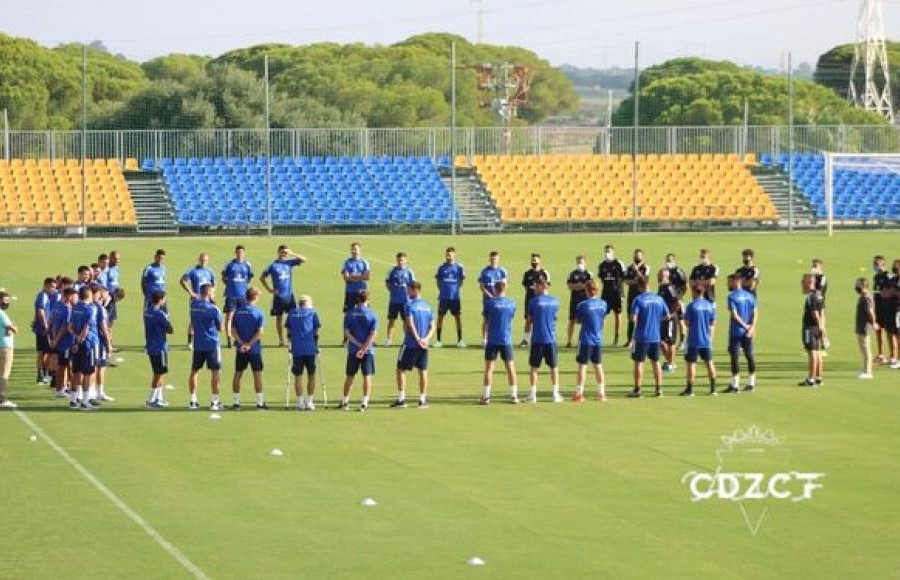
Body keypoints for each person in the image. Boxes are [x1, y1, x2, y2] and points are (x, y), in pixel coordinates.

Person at [391, 281, 434, 409]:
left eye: (408, 290)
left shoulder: (409, 305)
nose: (407, 292)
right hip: (424, 346)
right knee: (423, 371)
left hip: (410, 344)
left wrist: (417, 339)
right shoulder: (428, 306)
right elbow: (432, 326)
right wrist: (426, 339)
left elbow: (409, 324)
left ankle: (401, 399)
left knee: (400, 369)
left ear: (415, 290)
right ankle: (422, 400)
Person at [629, 276, 670, 398]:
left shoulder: (638, 299)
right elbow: (667, 316)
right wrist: (656, 320)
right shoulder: (659, 299)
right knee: (656, 362)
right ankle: (658, 389)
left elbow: (633, 318)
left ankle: (637, 389)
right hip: (655, 336)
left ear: (639, 286)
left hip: (642, 336)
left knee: (639, 363)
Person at [339, 290, 378, 412]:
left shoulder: (350, 314)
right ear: (368, 300)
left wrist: (358, 345)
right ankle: (364, 402)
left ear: (358, 299)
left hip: (353, 350)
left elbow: (347, 333)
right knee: (367, 375)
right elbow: (373, 334)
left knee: (350, 376)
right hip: (368, 351)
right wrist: (364, 347)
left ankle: (345, 401)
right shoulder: (373, 314)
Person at [480, 281, 518, 404]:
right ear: (505, 288)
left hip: (492, 340)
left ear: (494, 289)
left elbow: (485, 322)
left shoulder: (489, 304)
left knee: (489, 369)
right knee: (510, 368)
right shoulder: (512, 303)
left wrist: (484, 338)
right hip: (506, 339)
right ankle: (514, 395)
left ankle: (486, 396)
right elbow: (511, 320)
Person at [260, 245, 306, 347]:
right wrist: (269, 289)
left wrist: (292, 253)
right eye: (282, 252)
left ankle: (291, 338)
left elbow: (304, 259)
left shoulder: (289, 263)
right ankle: (281, 339)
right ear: (278, 252)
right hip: (279, 297)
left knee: (293, 317)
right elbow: (262, 277)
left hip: (289, 295)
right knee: (279, 318)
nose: (284, 254)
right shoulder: (273, 265)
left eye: (285, 252)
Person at [188, 284, 224, 410]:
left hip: (198, 344)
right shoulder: (213, 309)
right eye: (213, 292)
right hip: (212, 344)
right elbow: (221, 328)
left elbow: (192, 322)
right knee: (215, 372)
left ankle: (193, 400)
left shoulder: (193, 306)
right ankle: (215, 402)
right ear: (208, 293)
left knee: (195, 371)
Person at [230, 287, 267, 410]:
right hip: (254, 349)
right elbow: (259, 332)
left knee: (238, 374)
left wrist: (242, 343)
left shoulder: (238, 312)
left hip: (241, 349)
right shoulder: (259, 312)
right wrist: (249, 344)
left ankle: (236, 402)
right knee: (257, 374)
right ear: (255, 297)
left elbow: (233, 330)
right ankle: (260, 402)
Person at [526, 278, 561, 403]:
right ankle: (555, 394)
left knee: (534, 367)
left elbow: (529, 320)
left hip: (537, 339)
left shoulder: (533, 301)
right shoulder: (555, 301)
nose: (534, 289)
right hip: (551, 339)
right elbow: (554, 318)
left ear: (541, 286)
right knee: (554, 367)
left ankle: (532, 395)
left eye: (536, 286)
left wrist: (526, 337)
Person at [573, 280, 608, 402]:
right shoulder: (603, 304)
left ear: (586, 290)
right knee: (598, 366)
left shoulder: (583, 305)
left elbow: (578, 320)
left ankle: (579, 393)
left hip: (585, 339)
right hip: (597, 339)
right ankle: (601, 393)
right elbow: (603, 321)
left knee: (582, 366)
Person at [680, 283, 718, 397]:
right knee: (709, 363)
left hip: (693, 340)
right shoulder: (709, 305)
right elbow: (712, 323)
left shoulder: (691, 306)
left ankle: (690, 389)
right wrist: (710, 337)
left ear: (694, 292)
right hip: (706, 340)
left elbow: (686, 322)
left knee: (691, 364)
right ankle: (713, 389)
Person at [285, 295, 321, 410]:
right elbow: (316, 332)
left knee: (298, 376)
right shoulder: (312, 313)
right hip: (310, 349)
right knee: (311, 375)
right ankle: (309, 401)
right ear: (308, 303)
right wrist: (316, 345)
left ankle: (300, 402)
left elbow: (289, 331)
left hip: (297, 350)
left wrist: (290, 343)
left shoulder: (292, 313)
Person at [725, 274, 758, 392]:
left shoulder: (731, 296)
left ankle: (735, 385)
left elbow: (734, 315)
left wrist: (744, 326)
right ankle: (751, 383)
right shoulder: (750, 295)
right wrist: (751, 327)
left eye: (729, 282)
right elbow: (755, 312)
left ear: (736, 281)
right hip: (748, 332)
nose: (727, 284)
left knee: (735, 357)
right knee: (749, 355)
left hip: (736, 331)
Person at [69, 286, 99, 410]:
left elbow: (70, 326)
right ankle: (85, 402)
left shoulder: (75, 308)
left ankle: (73, 400)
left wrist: (75, 339)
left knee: (76, 372)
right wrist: (80, 340)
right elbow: (86, 328)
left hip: (76, 343)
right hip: (88, 344)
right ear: (88, 294)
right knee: (88, 373)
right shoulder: (91, 309)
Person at [143, 291, 173, 409]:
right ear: (160, 300)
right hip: (159, 346)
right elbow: (170, 329)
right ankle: (151, 400)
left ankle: (159, 398)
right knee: (158, 373)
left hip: (151, 344)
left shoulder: (147, 312)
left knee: (160, 372)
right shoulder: (160, 314)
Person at [179, 252, 216, 348]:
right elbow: (182, 280)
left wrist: (212, 294)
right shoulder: (193, 271)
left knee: (207, 319)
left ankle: (204, 339)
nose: (204, 262)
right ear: (199, 260)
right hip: (197, 299)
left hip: (207, 300)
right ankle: (190, 342)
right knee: (194, 320)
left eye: (206, 260)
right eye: (202, 260)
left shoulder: (210, 271)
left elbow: (214, 284)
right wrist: (191, 292)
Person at [221, 245, 254, 349]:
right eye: (238, 252)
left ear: (244, 253)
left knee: (241, 317)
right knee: (229, 316)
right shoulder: (230, 264)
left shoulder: (247, 264)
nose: (240, 254)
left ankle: (238, 338)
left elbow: (249, 278)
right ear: (235, 253)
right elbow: (223, 277)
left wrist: (243, 287)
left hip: (243, 296)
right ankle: (229, 338)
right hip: (231, 295)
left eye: (242, 252)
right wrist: (230, 285)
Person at [434, 246, 466, 348]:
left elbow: (461, 281)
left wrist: (455, 290)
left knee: (458, 318)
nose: (449, 256)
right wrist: (442, 290)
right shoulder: (441, 267)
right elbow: (438, 282)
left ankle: (460, 340)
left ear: (454, 255)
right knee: (440, 317)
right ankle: (438, 340)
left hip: (455, 298)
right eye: (447, 254)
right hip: (443, 298)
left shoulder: (459, 267)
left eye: (450, 254)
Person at [48, 287, 77, 399]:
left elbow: (52, 323)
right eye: (74, 295)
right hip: (66, 342)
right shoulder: (67, 308)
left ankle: (62, 388)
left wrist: (54, 338)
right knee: (63, 366)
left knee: (63, 365)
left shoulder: (57, 306)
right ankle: (60, 389)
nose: (75, 298)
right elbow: (65, 327)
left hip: (59, 341)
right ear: (68, 296)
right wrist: (57, 339)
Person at [799, 273, 826, 387]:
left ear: (809, 282)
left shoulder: (811, 297)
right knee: (818, 352)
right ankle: (818, 377)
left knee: (812, 353)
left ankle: (811, 379)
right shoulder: (819, 295)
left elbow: (815, 313)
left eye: (803, 282)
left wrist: (820, 327)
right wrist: (822, 328)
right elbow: (822, 313)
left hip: (810, 327)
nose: (801, 284)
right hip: (817, 327)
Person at [340, 242, 371, 343]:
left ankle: (369, 337)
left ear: (360, 250)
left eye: (356, 249)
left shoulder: (364, 262)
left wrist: (353, 277)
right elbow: (346, 278)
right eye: (352, 249)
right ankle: (346, 338)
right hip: (350, 292)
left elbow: (367, 277)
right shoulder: (347, 262)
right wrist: (359, 277)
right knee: (348, 314)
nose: (354, 251)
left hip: (362, 292)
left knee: (367, 314)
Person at [384, 252, 416, 347]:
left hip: (406, 301)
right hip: (394, 300)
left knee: (406, 321)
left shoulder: (409, 271)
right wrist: (393, 291)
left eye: (402, 260)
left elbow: (413, 284)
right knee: (391, 320)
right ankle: (389, 339)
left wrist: (410, 295)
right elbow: (387, 283)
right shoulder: (392, 271)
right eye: (399, 260)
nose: (400, 262)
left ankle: (406, 340)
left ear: (405, 260)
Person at [598, 245, 627, 345]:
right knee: (603, 315)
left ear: (613, 252)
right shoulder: (602, 265)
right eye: (606, 251)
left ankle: (616, 336)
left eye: (609, 251)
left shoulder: (618, 263)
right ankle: (599, 335)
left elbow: (624, 277)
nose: (607, 253)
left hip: (617, 293)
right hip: (606, 293)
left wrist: (620, 292)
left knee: (618, 314)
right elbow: (602, 278)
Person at [478, 251, 508, 346]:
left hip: (499, 300)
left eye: (495, 258)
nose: (493, 260)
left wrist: (500, 296)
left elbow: (505, 285)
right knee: (486, 319)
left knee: (499, 319)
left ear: (498, 259)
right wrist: (491, 296)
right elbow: (482, 286)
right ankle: (485, 339)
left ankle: (499, 338)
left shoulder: (502, 271)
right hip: (488, 300)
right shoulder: (485, 271)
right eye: (491, 258)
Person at [520, 253, 550, 347]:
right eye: (533, 260)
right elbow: (525, 286)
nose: (534, 262)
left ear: (539, 261)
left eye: (535, 260)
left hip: (541, 301)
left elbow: (547, 286)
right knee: (528, 320)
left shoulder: (544, 273)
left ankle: (539, 339)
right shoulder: (527, 273)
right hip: (529, 300)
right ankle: (526, 340)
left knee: (540, 320)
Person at [623, 248, 650, 348]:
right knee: (631, 318)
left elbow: (644, 280)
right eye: (636, 255)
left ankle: (643, 339)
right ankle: (629, 340)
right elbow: (626, 281)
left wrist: (637, 271)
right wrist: (635, 280)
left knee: (643, 318)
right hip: (632, 295)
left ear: (642, 256)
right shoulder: (629, 267)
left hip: (642, 296)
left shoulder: (645, 267)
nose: (637, 257)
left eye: (639, 256)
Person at [32, 276, 57, 384]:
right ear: (46, 285)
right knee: (43, 352)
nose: (53, 290)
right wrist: (46, 326)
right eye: (52, 287)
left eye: (55, 287)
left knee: (46, 352)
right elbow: (40, 311)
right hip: (43, 329)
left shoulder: (46, 296)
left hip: (44, 328)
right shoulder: (42, 296)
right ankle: (40, 375)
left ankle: (43, 374)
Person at [565, 255, 593, 348]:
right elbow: (569, 286)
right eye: (578, 262)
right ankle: (569, 341)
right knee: (572, 320)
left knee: (585, 321)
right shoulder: (572, 273)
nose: (579, 264)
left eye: (581, 262)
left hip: (585, 301)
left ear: (585, 263)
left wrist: (577, 286)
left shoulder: (589, 274)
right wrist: (581, 286)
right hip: (574, 300)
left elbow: (590, 287)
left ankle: (583, 340)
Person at [657, 269, 681, 373]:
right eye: (659, 275)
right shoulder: (661, 287)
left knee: (670, 342)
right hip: (662, 318)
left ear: (667, 276)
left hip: (670, 318)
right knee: (661, 342)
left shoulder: (670, 288)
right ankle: (669, 361)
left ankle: (670, 363)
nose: (660, 277)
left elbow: (678, 303)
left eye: (662, 275)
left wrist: (669, 315)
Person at [854, 278, 878, 380]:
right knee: (863, 349)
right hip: (861, 326)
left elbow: (870, 312)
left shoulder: (866, 297)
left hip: (864, 326)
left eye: (857, 284)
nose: (856, 286)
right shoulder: (863, 296)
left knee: (866, 349)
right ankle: (864, 369)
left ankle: (868, 371)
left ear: (863, 285)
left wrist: (873, 323)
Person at [664, 253, 688, 349]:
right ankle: (667, 339)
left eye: (670, 261)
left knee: (680, 320)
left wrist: (680, 296)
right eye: (667, 260)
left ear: (674, 261)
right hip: (667, 300)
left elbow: (685, 285)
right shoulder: (665, 272)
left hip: (677, 299)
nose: (668, 263)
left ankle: (683, 341)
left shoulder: (678, 271)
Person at [0, 291, 19, 409]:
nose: (7, 303)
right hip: (5, 346)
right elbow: (12, 328)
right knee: (4, 374)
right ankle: (2, 399)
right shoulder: (2, 314)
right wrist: (14, 327)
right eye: (5, 300)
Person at [872, 255, 892, 364]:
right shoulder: (876, 277)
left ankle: (893, 355)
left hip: (887, 307)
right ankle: (881, 354)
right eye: (874, 264)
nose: (875, 266)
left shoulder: (888, 276)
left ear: (883, 264)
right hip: (878, 307)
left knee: (890, 332)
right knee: (879, 330)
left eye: (877, 263)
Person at [105, 250, 121, 345]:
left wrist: (118, 293)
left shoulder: (117, 269)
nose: (117, 261)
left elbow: (115, 283)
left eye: (118, 259)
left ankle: (110, 341)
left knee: (111, 321)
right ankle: (107, 342)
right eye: (115, 258)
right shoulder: (106, 269)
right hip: (107, 298)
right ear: (110, 257)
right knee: (105, 321)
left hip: (114, 298)